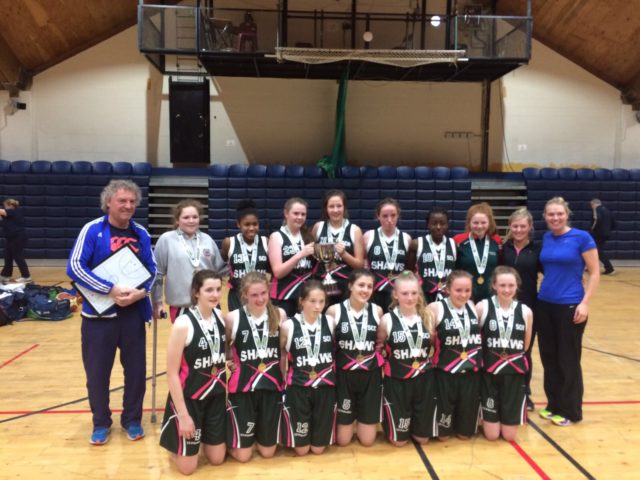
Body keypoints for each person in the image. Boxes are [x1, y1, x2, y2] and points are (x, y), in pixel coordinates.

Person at [67, 179, 156, 445]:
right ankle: (101, 422)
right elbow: (75, 267)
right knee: (97, 373)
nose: (128, 206)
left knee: (136, 372)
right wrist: (110, 289)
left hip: (132, 315)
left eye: (132, 202)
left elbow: (152, 270)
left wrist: (142, 293)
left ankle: (132, 420)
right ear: (109, 202)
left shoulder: (140, 233)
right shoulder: (92, 230)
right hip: (98, 318)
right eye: (122, 201)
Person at [537, 197, 599, 427]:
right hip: (545, 303)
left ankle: (571, 410)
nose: (555, 218)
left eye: (559, 214)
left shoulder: (582, 237)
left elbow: (594, 272)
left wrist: (585, 303)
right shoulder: (546, 237)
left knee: (568, 359)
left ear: (567, 214)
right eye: (551, 214)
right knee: (549, 357)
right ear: (545, 216)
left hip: (570, 305)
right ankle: (554, 404)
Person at [159, 270, 227, 474]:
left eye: (218, 289)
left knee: (217, 459)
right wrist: (184, 416)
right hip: (190, 399)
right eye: (209, 290)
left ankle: (201, 437)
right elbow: (171, 373)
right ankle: (174, 439)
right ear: (196, 293)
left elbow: (218, 353)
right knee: (188, 469)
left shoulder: (221, 318)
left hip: (215, 396)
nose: (214, 294)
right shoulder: (183, 324)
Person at [225, 272, 287, 462]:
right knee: (243, 456)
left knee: (268, 453)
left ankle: (257, 435)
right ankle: (226, 442)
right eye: (254, 295)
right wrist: (230, 362)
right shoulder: (232, 318)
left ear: (269, 291)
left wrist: (284, 378)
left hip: (271, 385)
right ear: (244, 295)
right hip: (243, 387)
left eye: (263, 293)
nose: (260, 299)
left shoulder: (279, 314)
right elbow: (225, 347)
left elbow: (283, 350)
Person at [326, 269, 383, 447]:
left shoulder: (378, 311)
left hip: (370, 375)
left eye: (369, 286)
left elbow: (380, 343)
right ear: (350, 286)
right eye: (361, 285)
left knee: (367, 441)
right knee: (343, 441)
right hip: (344, 376)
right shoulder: (334, 311)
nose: (365, 290)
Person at [378, 271, 436, 447]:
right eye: (404, 293)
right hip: (397, 380)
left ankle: (417, 424)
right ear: (396, 294)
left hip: (423, 379)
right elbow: (379, 348)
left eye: (414, 293)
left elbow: (433, 345)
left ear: (419, 294)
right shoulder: (387, 319)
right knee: (399, 442)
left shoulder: (428, 316)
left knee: (423, 440)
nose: (410, 298)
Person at [475, 266, 533, 441]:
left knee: (509, 436)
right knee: (492, 436)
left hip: (513, 375)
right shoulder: (482, 307)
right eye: (502, 285)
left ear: (517, 286)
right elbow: (475, 340)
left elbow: (525, 345)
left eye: (511, 285)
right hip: (489, 375)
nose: (506, 290)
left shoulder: (526, 311)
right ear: (494, 285)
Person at [280, 280, 336, 455]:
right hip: (298, 386)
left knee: (319, 450)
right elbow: (282, 354)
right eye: (312, 301)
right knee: (301, 450)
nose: (317, 306)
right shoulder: (288, 326)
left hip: (325, 386)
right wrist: (284, 382)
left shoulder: (330, 322)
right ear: (301, 301)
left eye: (321, 301)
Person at [152, 199, 226, 323]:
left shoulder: (207, 240)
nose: (191, 221)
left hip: (209, 304)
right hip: (182, 306)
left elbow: (220, 270)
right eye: (186, 217)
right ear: (177, 220)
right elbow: (157, 273)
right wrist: (157, 302)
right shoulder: (167, 240)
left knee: (212, 341)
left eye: (195, 217)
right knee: (185, 341)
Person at [428, 270, 482, 440]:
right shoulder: (435, 308)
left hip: (471, 373)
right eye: (458, 290)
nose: (463, 294)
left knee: (464, 435)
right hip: (445, 372)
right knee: (443, 436)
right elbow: (428, 342)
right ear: (448, 289)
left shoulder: (474, 307)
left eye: (467, 290)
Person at [502, 208, 540, 411]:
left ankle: (525, 392)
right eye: (515, 226)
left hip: (528, 307)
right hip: (503, 307)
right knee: (503, 348)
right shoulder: (504, 248)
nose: (518, 230)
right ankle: (504, 389)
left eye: (522, 226)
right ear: (510, 227)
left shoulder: (537, 249)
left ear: (529, 227)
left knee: (525, 351)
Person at [312, 190, 365, 305]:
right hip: (321, 282)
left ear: (344, 207)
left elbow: (360, 265)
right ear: (326, 208)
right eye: (331, 206)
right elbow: (312, 257)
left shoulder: (354, 230)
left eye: (339, 206)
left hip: (346, 284)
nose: (335, 210)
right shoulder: (318, 227)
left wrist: (344, 254)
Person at [268, 197, 316, 317]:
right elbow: (278, 272)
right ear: (286, 213)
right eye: (296, 213)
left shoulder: (308, 236)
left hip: (305, 295)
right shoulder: (276, 236)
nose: (300, 217)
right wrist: (300, 254)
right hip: (284, 294)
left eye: (303, 214)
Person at [364, 198, 411, 313]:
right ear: (378, 216)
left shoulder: (406, 238)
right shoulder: (368, 236)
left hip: (397, 294)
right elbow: (363, 266)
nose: (389, 220)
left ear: (398, 215)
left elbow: (408, 269)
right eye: (385, 216)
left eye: (393, 215)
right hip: (374, 292)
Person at [221, 200, 270, 312]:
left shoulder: (266, 242)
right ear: (238, 224)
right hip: (237, 296)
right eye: (247, 224)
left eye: (255, 224)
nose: (251, 228)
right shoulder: (229, 243)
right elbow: (222, 265)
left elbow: (272, 269)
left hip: (260, 296)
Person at [454, 202, 502, 302]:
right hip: (464, 296)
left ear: (489, 223)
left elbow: (500, 267)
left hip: (490, 297)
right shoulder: (458, 240)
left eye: (483, 222)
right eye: (475, 223)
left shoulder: (496, 241)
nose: (479, 226)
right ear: (469, 223)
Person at [408, 207, 456, 303]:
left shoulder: (454, 244)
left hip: (447, 296)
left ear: (447, 225)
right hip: (424, 296)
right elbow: (408, 271)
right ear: (428, 225)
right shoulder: (416, 244)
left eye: (442, 224)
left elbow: (457, 271)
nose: (438, 227)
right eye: (434, 223)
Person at [0, 198, 31, 283]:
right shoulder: (7, 215)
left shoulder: (14, 211)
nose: (4, 207)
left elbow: (1, 212)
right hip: (11, 238)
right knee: (7, 255)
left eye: (5, 206)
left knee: (18, 256)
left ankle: (26, 276)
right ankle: (5, 275)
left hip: (18, 237)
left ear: (10, 205)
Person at [590, 198, 615, 275]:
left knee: (598, 251)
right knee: (593, 250)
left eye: (591, 205)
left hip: (598, 234)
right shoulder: (608, 211)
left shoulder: (596, 210)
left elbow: (596, 220)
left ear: (594, 204)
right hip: (606, 234)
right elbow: (614, 223)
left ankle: (609, 268)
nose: (591, 207)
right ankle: (591, 266)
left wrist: (590, 230)